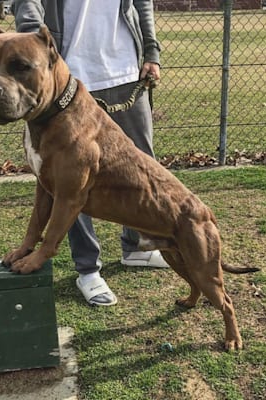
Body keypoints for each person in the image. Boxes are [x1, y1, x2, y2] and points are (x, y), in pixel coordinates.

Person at [12, 0, 169, 306]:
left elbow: (142, 2)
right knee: (70, 179)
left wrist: (150, 51)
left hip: (127, 71)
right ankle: (88, 269)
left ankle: (137, 246)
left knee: (141, 166)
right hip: (68, 76)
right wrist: (34, 43)